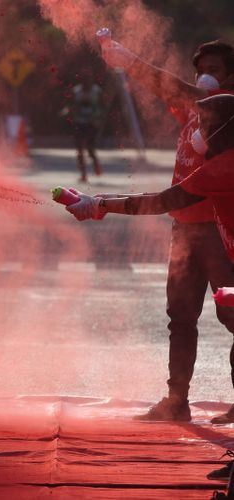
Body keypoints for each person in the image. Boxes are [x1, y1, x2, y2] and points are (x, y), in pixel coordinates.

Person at [100, 38, 234, 423]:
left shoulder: (224, 108)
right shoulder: (196, 112)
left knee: (233, 317)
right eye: (201, 69)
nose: (206, 77)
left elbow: (172, 84)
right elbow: (164, 86)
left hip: (219, 230)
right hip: (185, 229)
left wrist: (129, 58)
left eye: (216, 70)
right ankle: (177, 400)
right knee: (180, 316)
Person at [65, 72, 103, 182]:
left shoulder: (97, 91)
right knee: (79, 149)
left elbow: (103, 107)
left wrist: (98, 119)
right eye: (84, 81)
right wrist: (68, 111)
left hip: (92, 123)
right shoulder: (76, 91)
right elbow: (71, 105)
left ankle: (96, 164)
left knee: (90, 149)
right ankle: (83, 174)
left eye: (89, 80)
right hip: (79, 123)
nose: (86, 83)